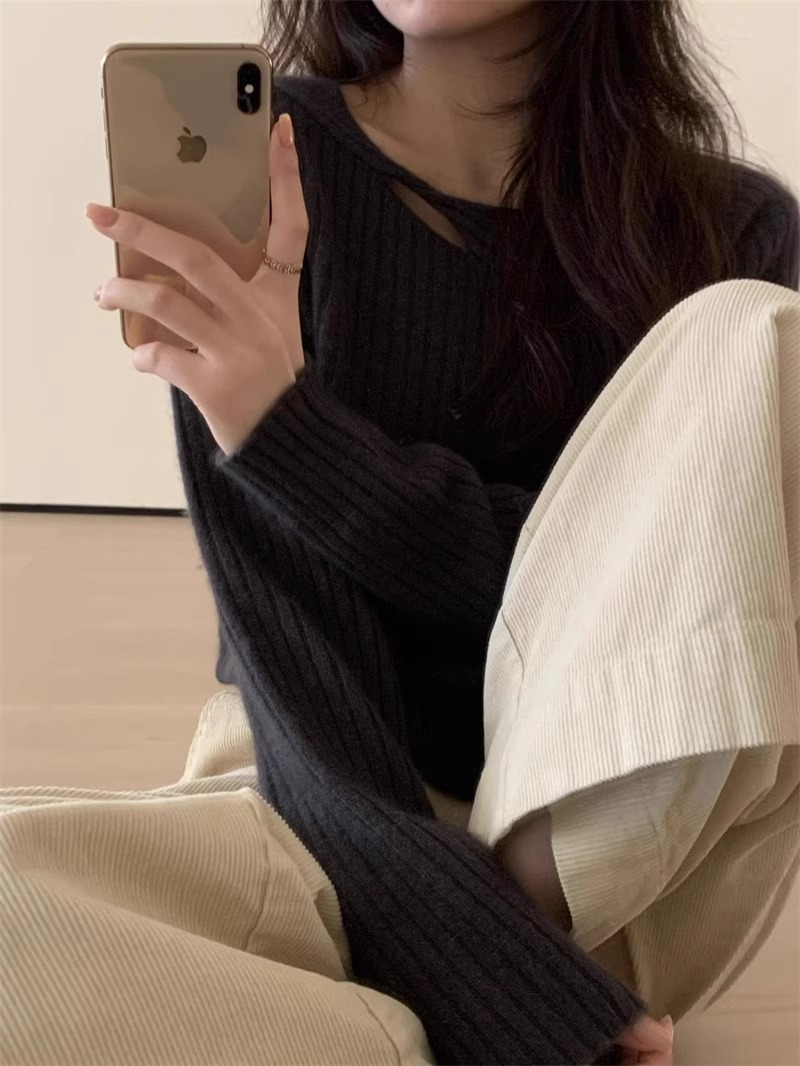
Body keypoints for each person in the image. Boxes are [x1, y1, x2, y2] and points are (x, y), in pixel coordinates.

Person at [3, 2, 798, 1064]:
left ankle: (367, 1011)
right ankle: (442, 1006)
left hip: (600, 837)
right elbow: (291, 645)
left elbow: (642, 592)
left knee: (754, 338)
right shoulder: (271, 167)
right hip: (312, 794)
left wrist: (289, 436)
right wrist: (478, 957)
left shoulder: (732, 233)